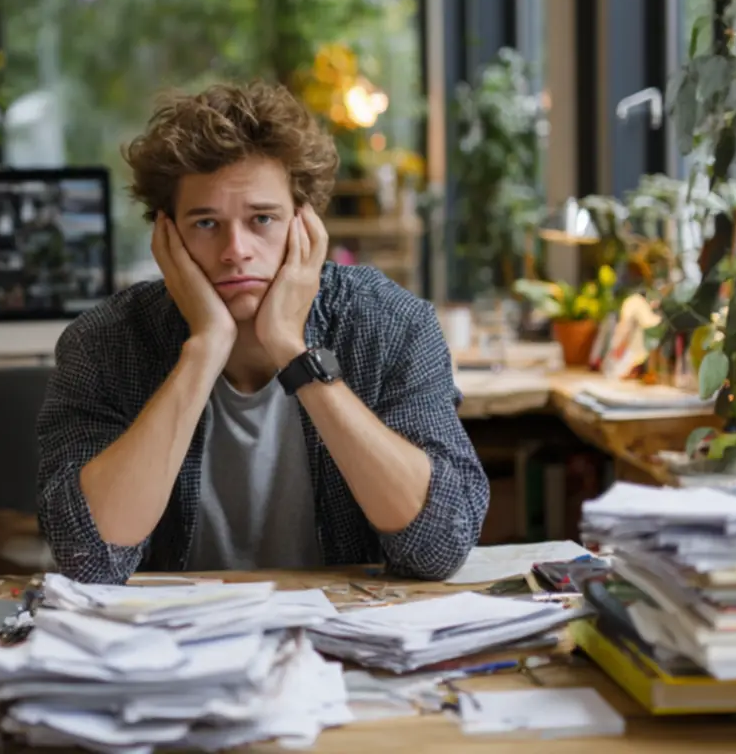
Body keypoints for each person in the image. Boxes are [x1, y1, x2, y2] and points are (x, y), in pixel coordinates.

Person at [35, 80, 488, 585]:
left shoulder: (390, 324)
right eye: (206, 223)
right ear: (167, 235)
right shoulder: (104, 342)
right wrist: (203, 350)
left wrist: (294, 350)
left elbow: (439, 546)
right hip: (171, 644)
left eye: (262, 219)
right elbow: (87, 558)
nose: (236, 250)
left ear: (304, 223)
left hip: (342, 639)